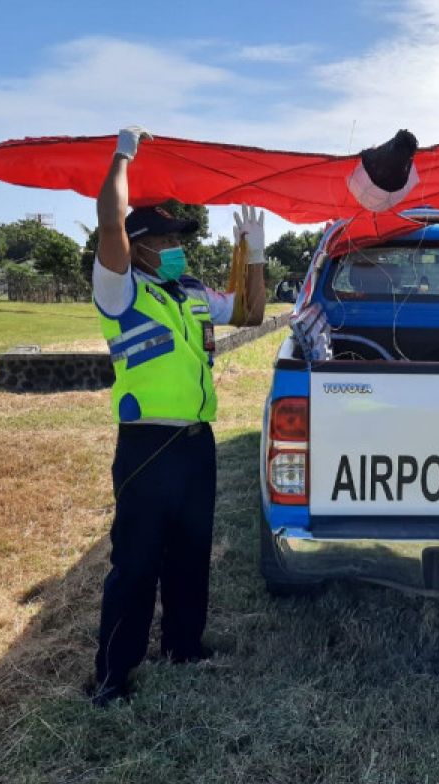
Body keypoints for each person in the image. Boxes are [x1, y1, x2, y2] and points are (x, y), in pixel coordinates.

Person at [88, 125, 266, 706]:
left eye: (178, 238)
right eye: (164, 238)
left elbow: (250, 313)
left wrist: (255, 256)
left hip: (195, 445)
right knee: (136, 564)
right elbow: (108, 218)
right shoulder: (121, 291)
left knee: (191, 554)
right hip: (146, 448)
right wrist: (122, 155)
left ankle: (183, 646)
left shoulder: (188, 290)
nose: (175, 247)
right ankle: (113, 677)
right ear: (138, 245)